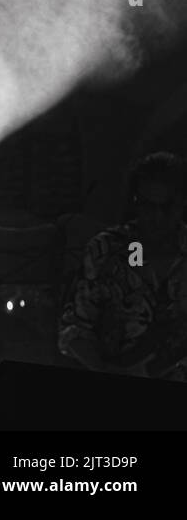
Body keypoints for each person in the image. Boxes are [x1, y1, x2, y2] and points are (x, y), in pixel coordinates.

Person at [58, 152, 187, 380]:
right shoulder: (105, 250)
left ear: (182, 204)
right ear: (135, 203)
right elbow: (74, 330)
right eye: (148, 205)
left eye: (167, 207)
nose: (157, 217)